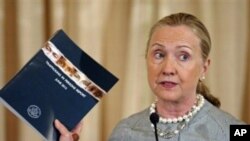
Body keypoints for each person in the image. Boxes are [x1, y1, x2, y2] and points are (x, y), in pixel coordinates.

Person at [55, 12, 245, 141]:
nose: (168, 68)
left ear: (204, 67)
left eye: (183, 56)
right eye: (159, 55)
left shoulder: (235, 131)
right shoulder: (124, 132)